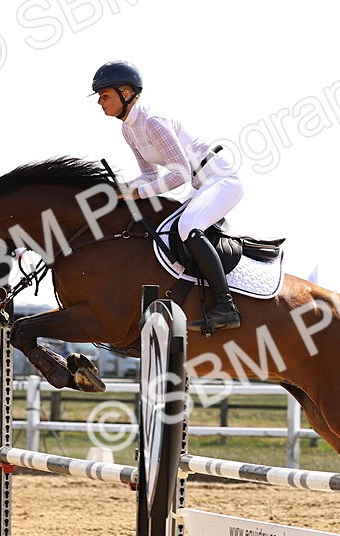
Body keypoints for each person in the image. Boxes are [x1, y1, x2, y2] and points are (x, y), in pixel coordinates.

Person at [91, 60, 242, 332]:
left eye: (104, 96)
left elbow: (180, 174)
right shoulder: (128, 128)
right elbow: (149, 176)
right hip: (202, 187)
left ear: (126, 93)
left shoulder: (152, 122)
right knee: (169, 230)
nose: (100, 103)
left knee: (187, 226)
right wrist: (118, 191)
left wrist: (136, 193)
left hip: (222, 181)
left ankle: (225, 305)